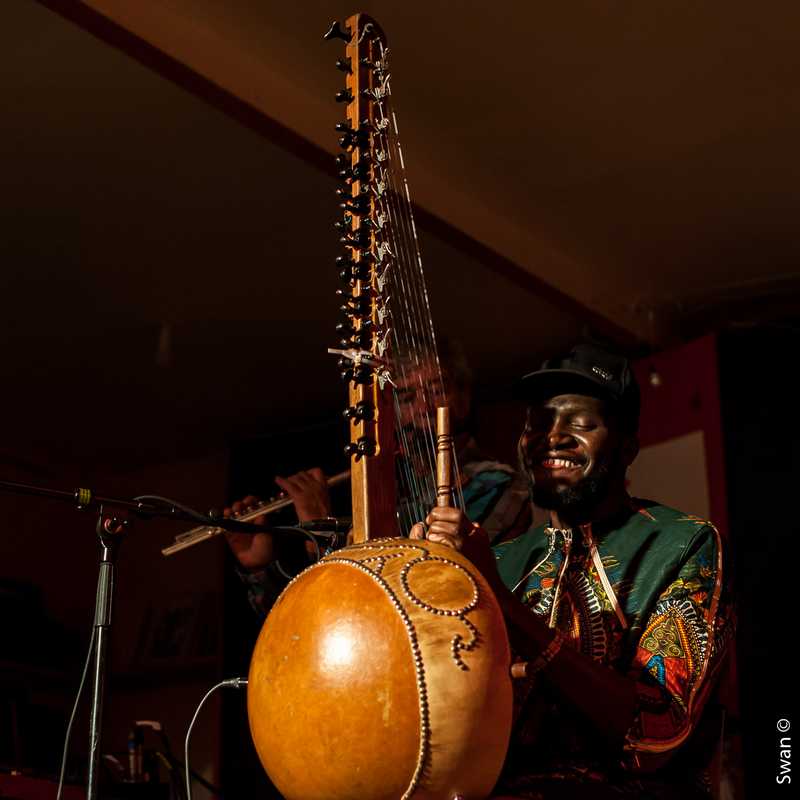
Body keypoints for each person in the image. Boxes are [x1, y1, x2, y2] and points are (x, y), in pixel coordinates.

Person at [410, 342, 735, 799]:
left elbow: (656, 732)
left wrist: (502, 602)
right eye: (537, 423)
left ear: (627, 448)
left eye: (580, 424)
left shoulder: (680, 542)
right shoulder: (498, 560)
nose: (553, 436)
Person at [226, 337, 532, 617]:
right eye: (409, 397)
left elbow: (417, 602)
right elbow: (313, 623)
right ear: (392, 416)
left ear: (463, 398)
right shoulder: (385, 498)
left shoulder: (501, 487)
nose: (425, 408)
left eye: (437, 391)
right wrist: (259, 568)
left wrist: (320, 528)